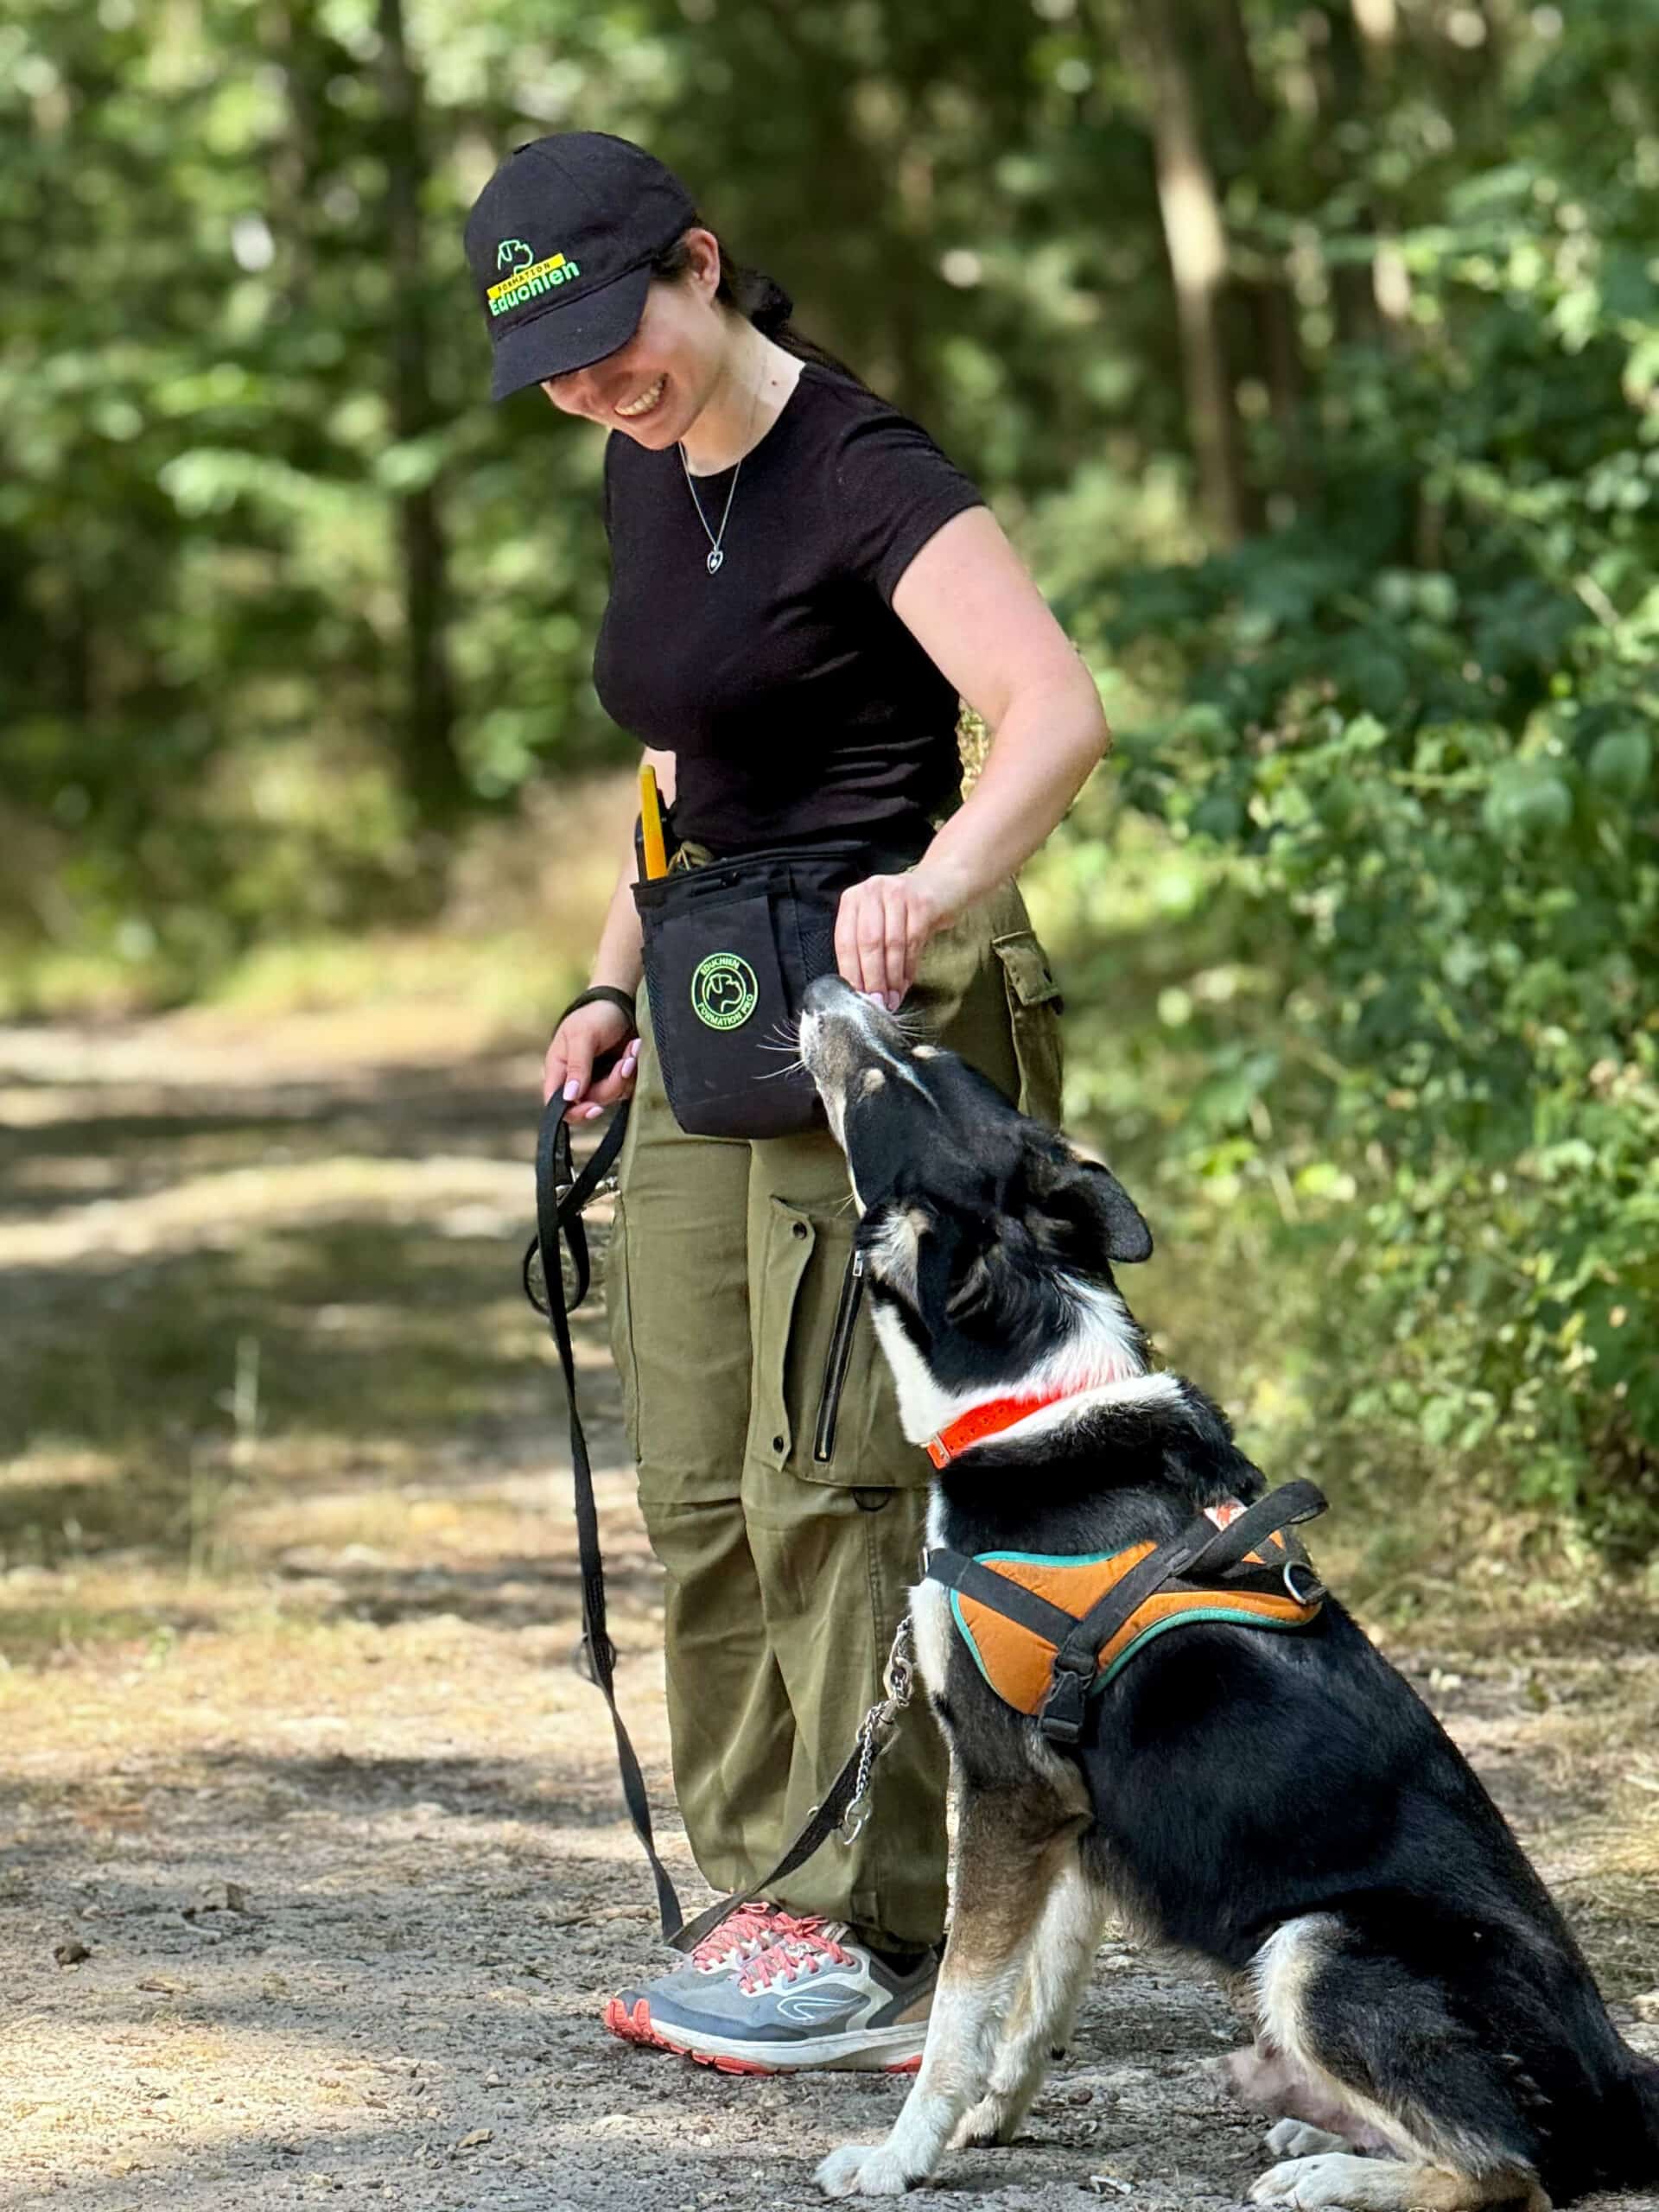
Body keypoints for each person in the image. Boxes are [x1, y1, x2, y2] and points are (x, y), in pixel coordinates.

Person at [463, 131, 1109, 2075]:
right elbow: (682, 750)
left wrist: (942, 879)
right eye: (558, 366)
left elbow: (1054, 708)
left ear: (701, 264)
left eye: (612, 338)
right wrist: (603, 977)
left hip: (869, 1023)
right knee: (694, 1475)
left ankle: (869, 1918)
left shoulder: (861, 468)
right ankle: (768, 1885)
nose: (596, 386)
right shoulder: (638, 467)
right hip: (706, 993)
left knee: (828, 1472)